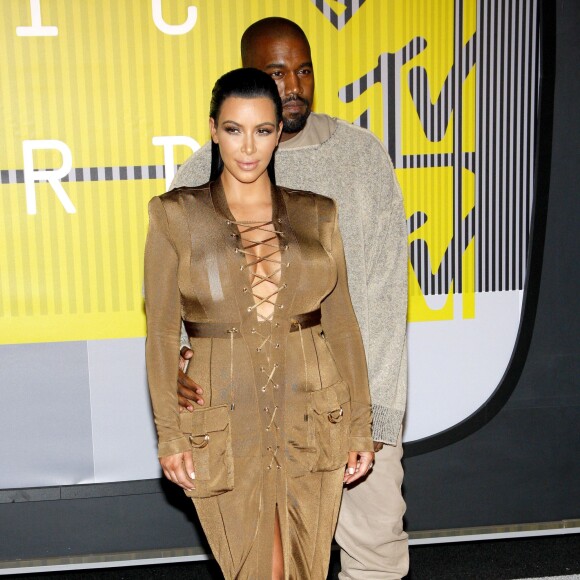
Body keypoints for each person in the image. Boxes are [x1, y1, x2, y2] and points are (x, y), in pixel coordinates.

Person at [172, 18, 409, 580]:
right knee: (267, 563)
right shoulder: (201, 171)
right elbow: (183, 292)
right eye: (277, 72)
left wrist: (376, 414)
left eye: (304, 70)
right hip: (245, 412)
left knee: (374, 553)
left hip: (344, 401)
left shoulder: (358, 158)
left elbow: (382, 297)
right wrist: (184, 363)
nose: (294, 85)